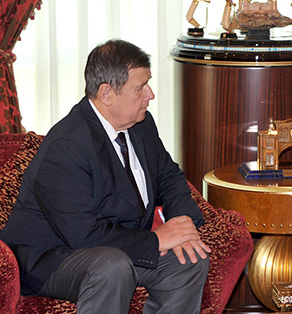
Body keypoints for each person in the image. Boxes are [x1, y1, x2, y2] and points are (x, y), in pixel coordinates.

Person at [1, 39, 211, 313]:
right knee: (112, 267)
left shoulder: (141, 124)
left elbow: (169, 177)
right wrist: (156, 240)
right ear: (107, 93)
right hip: (54, 257)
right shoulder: (67, 146)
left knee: (190, 259)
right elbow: (83, 235)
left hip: (117, 246)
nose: (150, 94)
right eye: (140, 87)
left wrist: (182, 225)